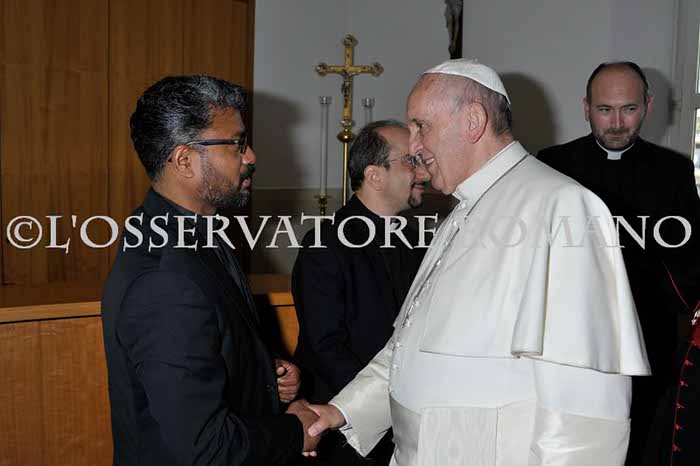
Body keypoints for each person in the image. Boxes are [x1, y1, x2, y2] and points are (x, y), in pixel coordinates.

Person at [303, 58, 651, 466]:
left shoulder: (561, 206)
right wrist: (341, 411)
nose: (414, 146)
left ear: (472, 121)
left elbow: (587, 408)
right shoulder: (460, 213)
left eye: (421, 126)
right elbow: (407, 350)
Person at [101, 75, 319, 465]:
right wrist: (295, 430)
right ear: (185, 160)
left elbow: (210, 344)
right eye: (236, 144)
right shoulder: (164, 279)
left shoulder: (194, 230)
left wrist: (264, 375)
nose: (250, 157)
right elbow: (205, 446)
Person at [537, 61, 700, 465]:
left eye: (628, 109)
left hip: (648, 334)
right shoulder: (553, 164)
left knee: (644, 440)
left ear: (647, 106)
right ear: (586, 108)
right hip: (572, 335)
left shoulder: (674, 171)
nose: (616, 123)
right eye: (605, 110)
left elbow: (688, 260)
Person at [292, 120, 430, 465]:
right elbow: (325, 346)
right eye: (411, 161)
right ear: (375, 175)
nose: (423, 172)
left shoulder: (418, 241)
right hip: (343, 432)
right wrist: (385, 407)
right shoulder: (325, 244)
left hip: (405, 422)